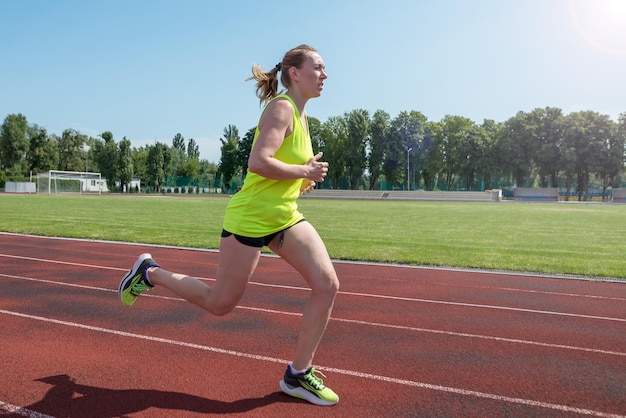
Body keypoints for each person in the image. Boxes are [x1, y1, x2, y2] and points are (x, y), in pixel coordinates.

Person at [118, 44, 340, 407]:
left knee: (327, 284)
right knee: (220, 303)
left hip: (284, 217)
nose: (325, 75)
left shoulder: (301, 116)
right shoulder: (282, 108)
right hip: (251, 218)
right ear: (295, 73)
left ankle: (298, 374)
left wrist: (302, 180)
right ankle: (150, 272)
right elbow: (258, 161)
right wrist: (304, 170)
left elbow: (279, 169)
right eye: (318, 67)